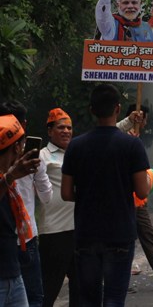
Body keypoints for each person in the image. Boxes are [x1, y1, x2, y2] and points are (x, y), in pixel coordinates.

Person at [61, 84, 150, 306]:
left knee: (88, 300)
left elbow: (66, 193)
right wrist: (150, 177)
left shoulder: (75, 146)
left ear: (91, 109)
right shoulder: (132, 145)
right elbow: (142, 190)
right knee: (114, 299)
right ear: (118, 108)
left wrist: (89, 194)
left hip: (86, 232)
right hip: (119, 233)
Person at [0, 101, 52, 307]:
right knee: (35, 298)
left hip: (14, 266)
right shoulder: (10, 177)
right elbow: (46, 196)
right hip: (21, 247)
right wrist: (11, 176)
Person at [121, 105, 153, 291]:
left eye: (145, 119)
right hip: (124, 199)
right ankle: (117, 280)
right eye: (141, 118)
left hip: (138, 200)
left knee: (147, 236)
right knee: (124, 241)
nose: (144, 122)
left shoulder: (136, 139)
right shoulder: (121, 139)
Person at [37, 108, 79, 307]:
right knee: (49, 290)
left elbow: (101, 139)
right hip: (54, 233)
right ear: (49, 131)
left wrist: (129, 123)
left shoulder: (76, 153)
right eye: (61, 127)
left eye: (69, 128)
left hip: (78, 230)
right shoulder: (42, 157)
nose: (66, 131)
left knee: (80, 289)